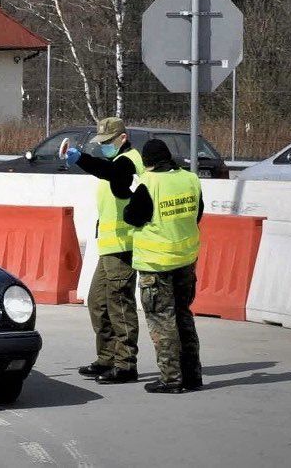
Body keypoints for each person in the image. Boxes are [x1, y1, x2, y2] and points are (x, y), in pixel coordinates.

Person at [64, 117, 144, 384]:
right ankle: (107, 358)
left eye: (108, 142)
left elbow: (110, 173)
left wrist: (82, 159)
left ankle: (125, 364)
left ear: (123, 138)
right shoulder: (115, 162)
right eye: (102, 143)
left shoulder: (129, 161)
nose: (105, 147)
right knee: (98, 303)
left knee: (119, 304)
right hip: (110, 245)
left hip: (124, 245)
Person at [123, 139, 204, 394]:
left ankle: (171, 379)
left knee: (162, 321)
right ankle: (192, 375)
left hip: (156, 264)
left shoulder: (149, 184)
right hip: (185, 261)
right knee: (183, 316)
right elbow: (197, 212)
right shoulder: (190, 179)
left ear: (148, 163)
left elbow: (132, 216)